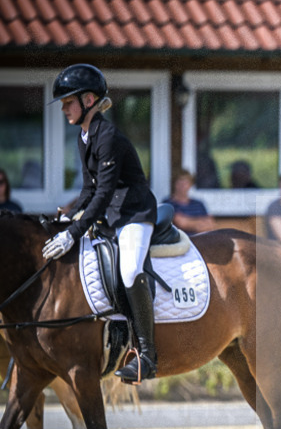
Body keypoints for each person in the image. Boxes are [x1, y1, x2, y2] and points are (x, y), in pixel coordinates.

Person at [43, 64, 158, 382]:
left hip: (134, 214)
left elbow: (104, 193)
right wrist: (68, 219)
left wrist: (73, 233)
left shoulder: (108, 138)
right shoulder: (84, 137)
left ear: (89, 100)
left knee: (130, 270)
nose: (64, 109)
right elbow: (89, 190)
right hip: (112, 216)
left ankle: (147, 356)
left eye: (68, 102)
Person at [162, 170, 215, 235]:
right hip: (179, 240)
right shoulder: (168, 204)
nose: (183, 186)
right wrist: (201, 222)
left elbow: (211, 225)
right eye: (180, 183)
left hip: (199, 240)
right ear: (174, 184)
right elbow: (181, 223)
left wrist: (188, 222)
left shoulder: (199, 204)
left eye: (186, 183)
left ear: (190, 185)